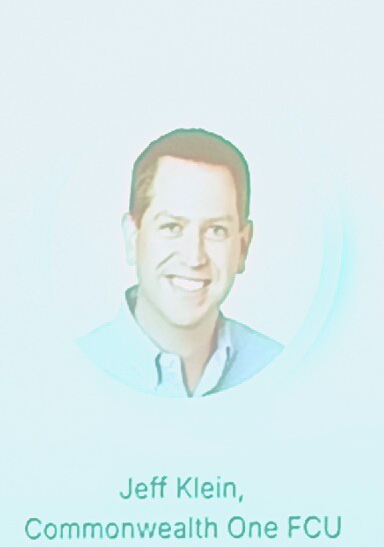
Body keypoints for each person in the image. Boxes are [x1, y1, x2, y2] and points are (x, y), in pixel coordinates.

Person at [80, 127, 281, 397]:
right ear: (131, 237)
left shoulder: (282, 371)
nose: (193, 257)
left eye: (216, 230)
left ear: (242, 247)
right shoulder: (72, 372)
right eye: (172, 227)